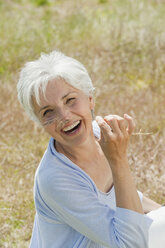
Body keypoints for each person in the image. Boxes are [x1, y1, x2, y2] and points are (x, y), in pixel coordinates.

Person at [17, 50, 164, 248]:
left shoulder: (100, 135)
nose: (64, 116)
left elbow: (130, 201)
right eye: (48, 112)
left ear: (90, 99)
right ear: (40, 122)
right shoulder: (55, 178)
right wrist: (118, 159)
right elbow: (130, 244)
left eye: (70, 100)